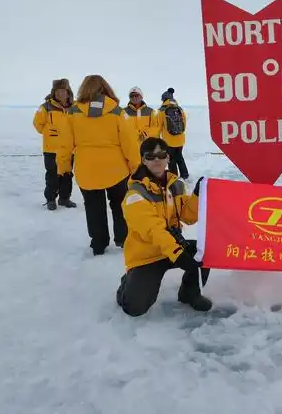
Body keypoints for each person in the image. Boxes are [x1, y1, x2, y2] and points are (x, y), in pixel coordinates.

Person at [116, 137, 211, 316]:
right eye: (150, 156)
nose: (157, 160)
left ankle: (190, 293)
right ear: (143, 160)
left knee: (205, 250)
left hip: (172, 247)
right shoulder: (135, 194)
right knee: (135, 308)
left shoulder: (175, 185)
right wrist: (178, 254)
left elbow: (188, 216)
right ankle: (127, 285)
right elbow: (153, 230)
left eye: (161, 155)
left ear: (168, 158)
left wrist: (198, 195)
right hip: (147, 255)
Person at [56, 75, 140, 255]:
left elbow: (64, 144)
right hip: (116, 169)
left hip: (86, 169)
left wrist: (63, 166)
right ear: (105, 88)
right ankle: (123, 239)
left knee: (94, 207)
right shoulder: (117, 112)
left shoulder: (73, 113)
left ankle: (99, 243)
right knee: (119, 205)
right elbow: (130, 143)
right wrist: (136, 167)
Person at [33, 78, 77, 210]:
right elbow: (37, 124)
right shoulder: (45, 107)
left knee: (67, 174)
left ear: (68, 92)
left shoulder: (75, 107)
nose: (59, 94)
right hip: (51, 148)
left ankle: (64, 199)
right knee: (52, 175)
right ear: (53, 92)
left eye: (62, 91)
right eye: (57, 91)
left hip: (69, 149)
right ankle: (51, 199)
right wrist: (49, 132)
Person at [158, 88, 189, 180]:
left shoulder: (162, 110)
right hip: (180, 139)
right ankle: (185, 175)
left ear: (164, 99)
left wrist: (157, 137)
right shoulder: (180, 109)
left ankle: (173, 177)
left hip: (169, 141)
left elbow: (159, 126)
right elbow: (184, 123)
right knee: (179, 157)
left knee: (171, 160)